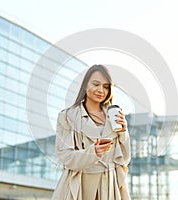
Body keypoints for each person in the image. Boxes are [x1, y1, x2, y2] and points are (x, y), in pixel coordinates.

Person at [51, 64, 131, 200]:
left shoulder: (114, 116)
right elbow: (64, 155)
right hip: (80, 184)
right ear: (85, 86)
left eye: (106, 86)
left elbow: (124, 159)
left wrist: (124, 133)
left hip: (109, 186)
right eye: (96, 84)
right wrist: (92, 153)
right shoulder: (67, 116)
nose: (101, 90)